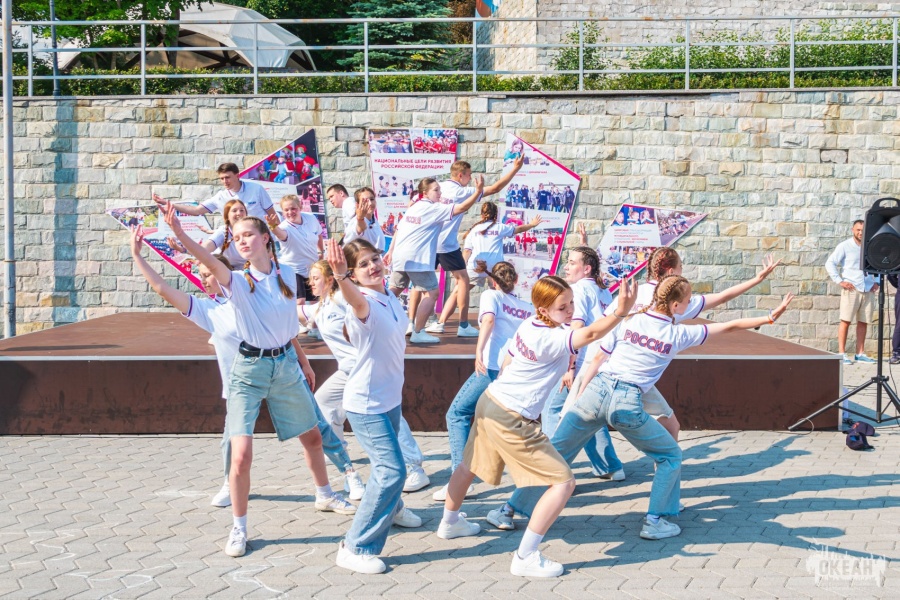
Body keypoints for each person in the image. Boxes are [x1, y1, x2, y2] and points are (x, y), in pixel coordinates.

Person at [507, 276, 794, 541]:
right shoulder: (678, 334)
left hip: (596, 391)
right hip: (626, 402)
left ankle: (507, 510)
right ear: (676, 305)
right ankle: (655, 521)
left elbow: (599, 356)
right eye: (688, 301)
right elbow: (729, 327)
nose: (690, 305)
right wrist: (768, 318)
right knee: (670, 455)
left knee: (557, 453)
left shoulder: (630, 318)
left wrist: (581, 393)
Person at [163, 205, 353, 558]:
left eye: (248, 234)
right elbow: (209, 260)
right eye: (236, 238)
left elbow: (284, 325)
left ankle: (325, 495)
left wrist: (302, 360)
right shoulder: (237, 281)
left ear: (266, 238)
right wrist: (180, 234)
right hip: (249, 368)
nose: (242, 241)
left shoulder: (285, 275)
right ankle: (239, 527)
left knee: (312, 436)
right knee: (241, 456)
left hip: (285, 365)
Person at [434, 275, 638, 578]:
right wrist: (620, 312)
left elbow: (508, 362)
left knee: (468, 465)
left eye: (571, 303)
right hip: (512, 416)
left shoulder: (529, 324)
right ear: (543, 309)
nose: (570, 310)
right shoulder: (550, 338)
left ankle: (449, 523)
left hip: (492, 400)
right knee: (563, 483)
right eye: (562, 307)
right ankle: (525, 556)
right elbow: (592, 332)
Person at [326, 238, 423, 575]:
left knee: (389, 468)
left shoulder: (389, 297)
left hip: (389, 399)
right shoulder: (362, 302)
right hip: (367, 404)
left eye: (375, 259)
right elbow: (354, 299)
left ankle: (392, 509)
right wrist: (341, 276)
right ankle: (355, 546)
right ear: (353, 274)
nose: (373, 266)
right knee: (392, 470)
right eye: (363, 264)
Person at [301, 260, 430, 495]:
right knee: (324, 400)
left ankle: (414, 467)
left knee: (387, 412)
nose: (311, 283)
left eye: (316, 278)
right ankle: (339, 452)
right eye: (310, 279)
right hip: (348, 370)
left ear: (330, 279)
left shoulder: (343, 298)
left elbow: (365, 308)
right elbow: (293, 311)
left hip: (368, 368)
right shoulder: (321, 306)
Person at [432, 261, 533, 503]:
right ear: (515, 281)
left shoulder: (491, 295)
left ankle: (459, 481)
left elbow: (488, 321)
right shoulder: (526, 307)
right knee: (505, 423)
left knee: (457, 413)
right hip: (513, 370)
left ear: (492, 281)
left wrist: (478, 351)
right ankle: (534, 476)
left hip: (491, 367)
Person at [427, 157, 524, 338]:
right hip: (446, 244)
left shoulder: (438, 188)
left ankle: (420, 324)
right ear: (461, 175)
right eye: (469, 175)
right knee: (462, 282)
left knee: (422, 285)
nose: (470, 178)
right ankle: (463, 325)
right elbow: (495, 188)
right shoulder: (461, 191)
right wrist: (515, 169)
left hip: (430, 241)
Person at [385, 176, 484, 344]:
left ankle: (371, 315)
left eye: (440, 189)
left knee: (393, 291)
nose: (440, 193)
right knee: (432, 293)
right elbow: (462, 207)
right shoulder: (433, 208)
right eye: (436, 190)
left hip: (401, 257)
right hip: (416, 258)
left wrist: (391, 250)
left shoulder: (414, 207)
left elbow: (399, 229)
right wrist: (478, 191)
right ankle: (418, 332)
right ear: (425, 193)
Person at [825, 220, 878, 364]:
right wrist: (839, 280)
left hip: (867, 289)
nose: (860, 233)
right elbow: (830, 263)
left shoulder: (870, 246)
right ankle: (841, 354)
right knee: (845, 320)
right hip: (851, 289)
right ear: (852, 230)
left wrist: (877, 282)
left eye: (863, 230)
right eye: (858, 230)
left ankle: (860, 353)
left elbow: (877, 264)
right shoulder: (845, 246)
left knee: (863, 321)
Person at [153, 163, 276, 221]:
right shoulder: (220, 197)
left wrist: (278, 237)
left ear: (237, 175)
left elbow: (272, 214)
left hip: (263, 240)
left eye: (227, 177)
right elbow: (196, 211)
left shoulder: (256, 189)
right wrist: (168, 203)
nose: (224, 181)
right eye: (221, 179)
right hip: (239, 242)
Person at [461, 202, 543, 287]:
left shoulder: (474, 229)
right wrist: (532, 225)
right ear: (496, 214)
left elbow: (467, 251)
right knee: (496, 291)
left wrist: (461, 268)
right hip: (495, 266)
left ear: (482, 214)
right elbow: (519, 229)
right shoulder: (500, 227)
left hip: (476, 265)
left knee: (461, 290)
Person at [265, 194, 324, 306]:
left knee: (316, 300)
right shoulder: (284, 227)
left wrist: (321, 252)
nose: (290, 212)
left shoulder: (310, 218)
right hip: (294, 269)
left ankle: (313, 318)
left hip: (312, 267)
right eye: (286, 210)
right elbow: (280, 234)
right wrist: (273, 227)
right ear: (283, 212)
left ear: (300, 207)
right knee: (300, 301)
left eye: (293, 208)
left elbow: (319, 234)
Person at [344, 187, 385, 252]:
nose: (370, 203)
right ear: (357, 205)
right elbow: (360, 228)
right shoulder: (355, 222)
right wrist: (360, 219)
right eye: (365, 201)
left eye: (372, 199)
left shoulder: (373, 219)